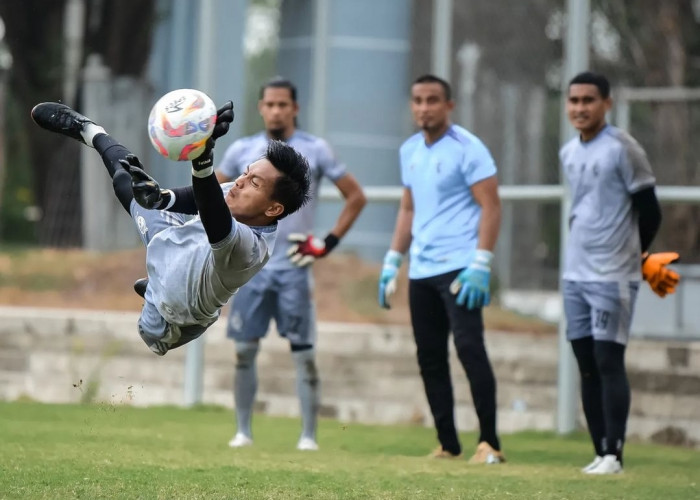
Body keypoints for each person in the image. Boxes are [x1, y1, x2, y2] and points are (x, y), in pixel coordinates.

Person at [30, 100, 311, 356]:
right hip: (171, 243)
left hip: (175, 317)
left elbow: (214, 215)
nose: (240, 181)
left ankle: (154, 289)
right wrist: (161, 198)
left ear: (273, 209)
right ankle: (89, 129)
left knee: (151, 337)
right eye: (246, 172)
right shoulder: (237, 193)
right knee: (125, 180)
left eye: (254, 183)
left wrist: (202, 155)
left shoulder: (250, 249)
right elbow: (199, 197)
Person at [215, 78, 366, 451]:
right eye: (270, 104)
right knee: (245, 351)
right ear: (261, 108)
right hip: (249, 268)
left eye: (284, 104)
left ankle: (308, 437)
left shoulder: (315, 150)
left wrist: (326, 244)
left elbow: (356, 197)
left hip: (294, 269)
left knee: (305, 355)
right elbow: (211, 198)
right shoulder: (243, 151)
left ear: (295, 108)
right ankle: (243, 432)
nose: (276, 111)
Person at [377, 74, 504, 463]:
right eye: (417, 100)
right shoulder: (410, 150)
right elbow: (409, 208)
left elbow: (492, 206)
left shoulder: (469, 148)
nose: (424, 107)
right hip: (422, 271)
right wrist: (393, 260)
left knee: (469, 348)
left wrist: (481, 262)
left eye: (433, 100)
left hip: (460, 267)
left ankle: (490, 443)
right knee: (429, 355)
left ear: (449, 105)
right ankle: (449, 444)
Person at [560, 71, 680, 475]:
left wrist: (639, 256)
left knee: (608, 358)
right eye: (573, 100)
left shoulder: (623, 148)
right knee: (585, 361)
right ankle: (599, 452)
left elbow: (650, 209)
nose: (580, 108)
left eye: (588, 100)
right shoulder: (568, 152)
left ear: (606, 104)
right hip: (575, 273)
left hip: (612, 273)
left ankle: (615, 454)